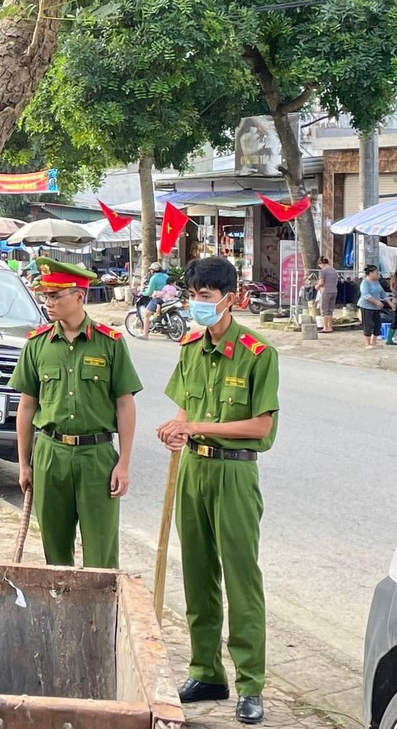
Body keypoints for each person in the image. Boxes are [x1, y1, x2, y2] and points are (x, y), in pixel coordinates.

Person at [155, 256, 279, 725]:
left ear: (230, 298)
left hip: (233, 474)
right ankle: (206, 671)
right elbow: (186, 408)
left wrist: (200, 425)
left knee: (241, 579)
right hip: (193, 471)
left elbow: (261, 426)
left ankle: (251, 684)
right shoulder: (190, 347)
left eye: (205, 297)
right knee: (198, 574)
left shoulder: (258, 352)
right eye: (193, 295)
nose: (197, 305)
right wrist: (176, 429)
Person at [11, 258, 141, 569]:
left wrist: (123, 462)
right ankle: (61, 613)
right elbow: (27, 405)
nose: (48, 303)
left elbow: (125, 403)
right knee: (55, 551)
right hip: (50, 454)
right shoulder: (37, 344)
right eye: (45, 296)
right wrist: (24, 464)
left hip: (95, 455)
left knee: (100, 553)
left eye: (55, 296)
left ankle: (99, 615)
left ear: (79, 296)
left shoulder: (110, 344)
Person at [358, 265, 386, 349]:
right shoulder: (365, 283)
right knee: (368, 324)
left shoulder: (377, 282)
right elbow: (366, 295)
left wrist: (390, 303)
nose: (377, 274)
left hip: (376, 307)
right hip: (366, 306)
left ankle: (374, 342)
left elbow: (383, 294)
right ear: (370, 273)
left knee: (377, 324)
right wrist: (376, 301)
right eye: (376, 272)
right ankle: (368, 343)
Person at [139, 263, 171, 332]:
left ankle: (145, 334)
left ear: (153, 270)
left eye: (151, 270)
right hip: (169, 298)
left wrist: (142, 293)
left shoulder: (154, 278)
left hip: (158, 298)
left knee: (146, 315)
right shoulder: (166, 276)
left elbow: (149, 292)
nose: (150, 271)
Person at [315, 256, 339, 333]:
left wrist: (316, 286)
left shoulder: (323, 271)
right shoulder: (334, 271)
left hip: (325, 291)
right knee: (330, 310)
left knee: (324, 310)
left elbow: (321, 282)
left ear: (321, 263)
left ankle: (325, 327)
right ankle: (330, 327)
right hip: (334, 291)